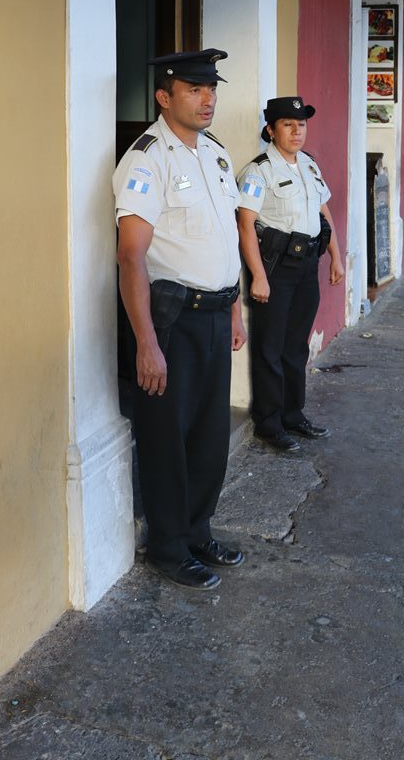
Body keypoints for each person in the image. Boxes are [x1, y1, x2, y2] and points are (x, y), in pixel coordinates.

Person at [113, 49, 247, 591]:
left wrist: (234, 309)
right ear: (164, 97)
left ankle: (196, 530)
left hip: (215, 316)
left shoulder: (213, 154)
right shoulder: (147, 160)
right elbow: (131, 256)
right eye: (194, 89)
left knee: (210, 435)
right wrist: (145, 342)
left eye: (211, 88)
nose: (208, 98)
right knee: (167, 436)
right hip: (172, 321)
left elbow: (224, 239)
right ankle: (168, 546)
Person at [237, 97, 344, 452]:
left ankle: (292, 414)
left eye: (301, 124)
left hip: (307, 266)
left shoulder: (309, 166)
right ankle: (268, 423)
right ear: (271, 130)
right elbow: (246, 225)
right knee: (270, 348)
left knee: (295, 346)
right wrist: (258, 276)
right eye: (288, 124)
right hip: (275, 268)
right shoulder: (258, 172)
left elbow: (324, 211)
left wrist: (336, 257)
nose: (297, 131)